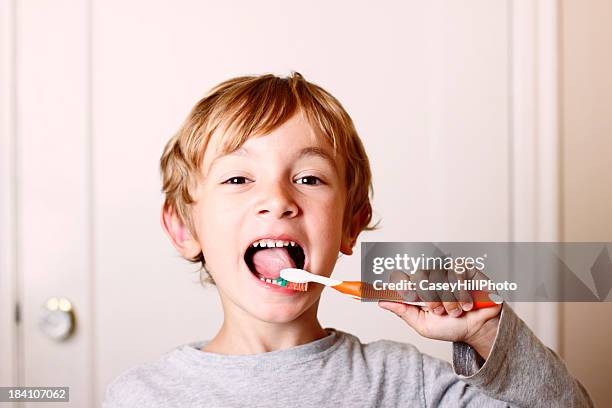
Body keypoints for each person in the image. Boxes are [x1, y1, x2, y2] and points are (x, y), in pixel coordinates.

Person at [103, 73, 593, 407]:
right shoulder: (143, 396)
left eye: (309, 179)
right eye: (238, 180)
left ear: (351, 224)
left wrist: (486, 333)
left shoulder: (406, 383)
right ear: (185, 229)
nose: (277, 200)